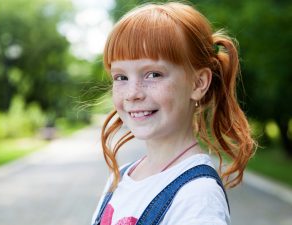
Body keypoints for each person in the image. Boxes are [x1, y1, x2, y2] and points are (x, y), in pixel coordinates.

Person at [91, 2, 256, 225]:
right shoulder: (120, 177)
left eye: (153, 74)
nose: (132, 94)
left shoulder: (198, 197)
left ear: (198, 83)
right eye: (121, 77)